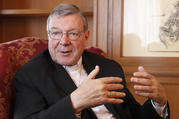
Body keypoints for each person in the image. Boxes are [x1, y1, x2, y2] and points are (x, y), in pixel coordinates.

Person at [14, 3, 170, 119]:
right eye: (56, 33)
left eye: (73, 34)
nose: (63, 41)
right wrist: (74, 102)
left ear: (86, 36)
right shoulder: (29, 75)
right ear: (48, 35)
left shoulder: (108, 66)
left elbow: (133, 115)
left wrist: (159, 102)